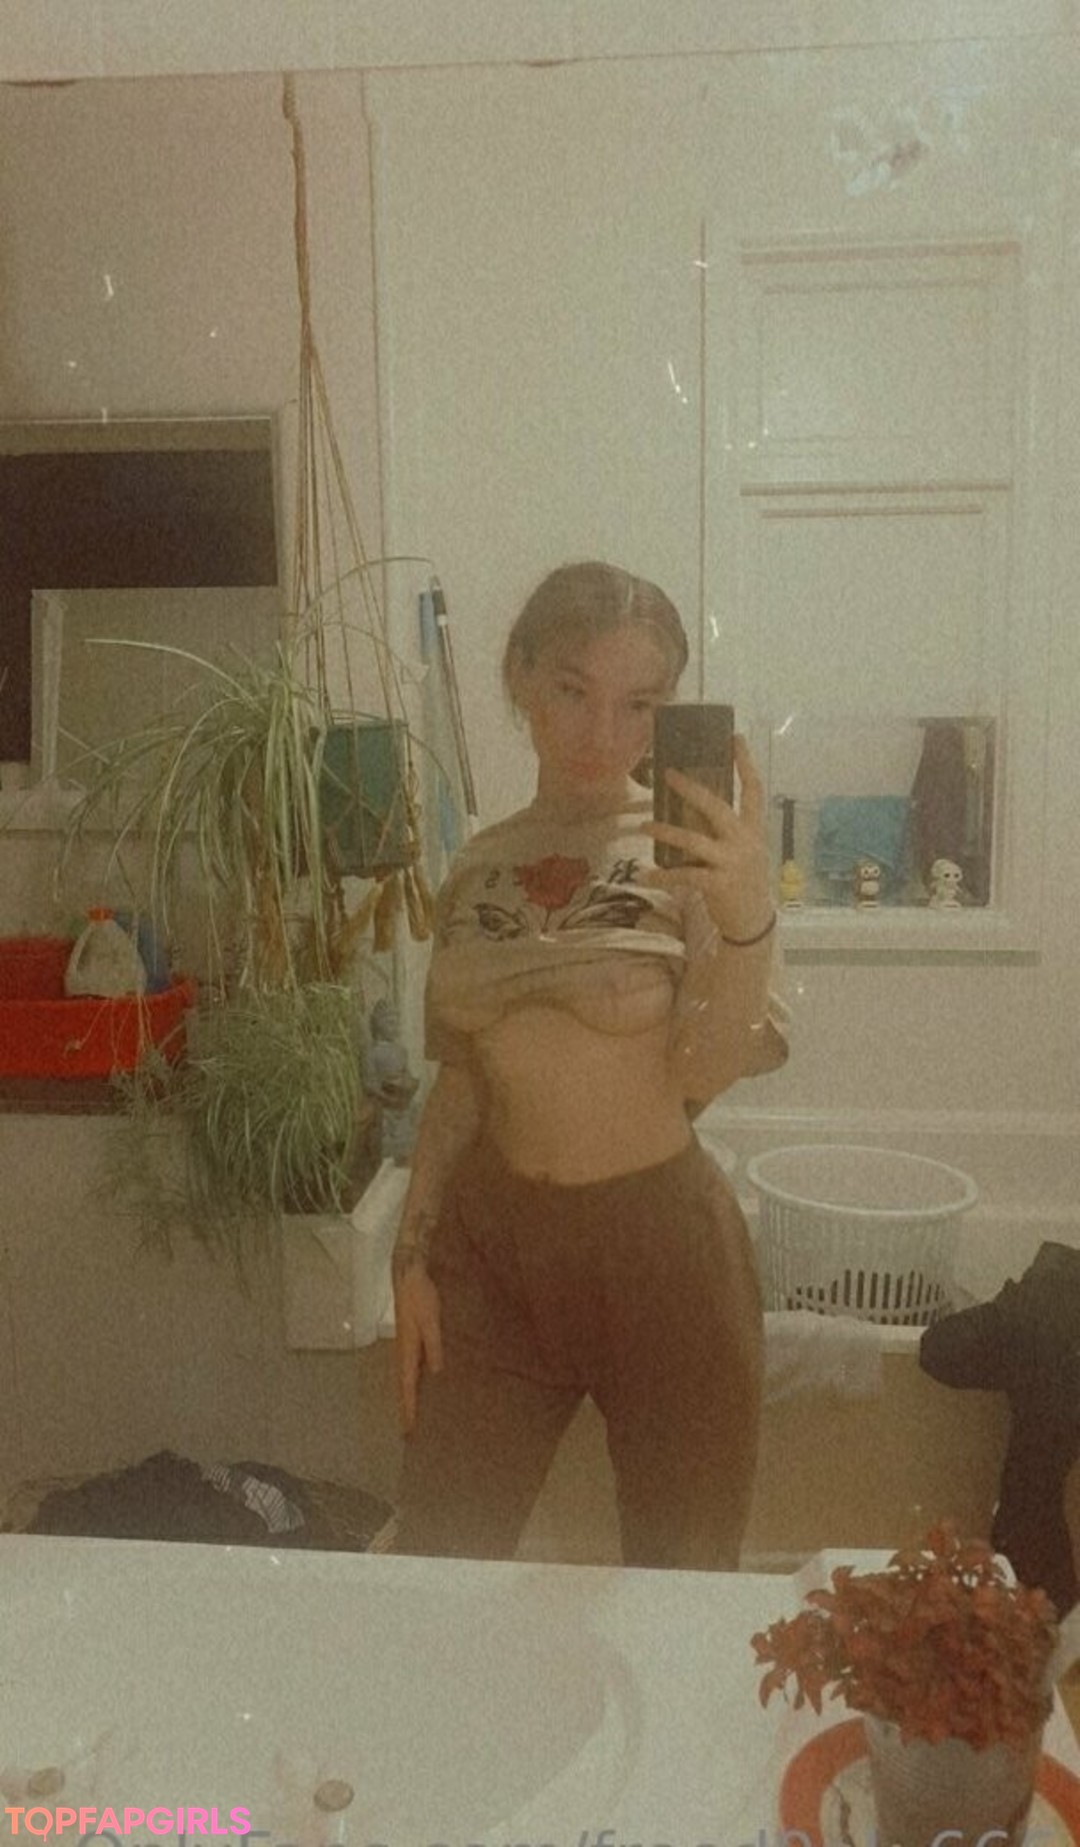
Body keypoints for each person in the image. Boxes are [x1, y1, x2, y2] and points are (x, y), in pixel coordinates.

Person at [391, 560, 787, 1569]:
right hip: (492, 1253)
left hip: (665, 1255)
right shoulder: (477, 865)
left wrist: (747, 918)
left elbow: (704, 1068)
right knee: (440, 1559)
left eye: (639, 704)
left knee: (680, 1579)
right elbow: (461, 1081)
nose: (602, 733)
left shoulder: (687, 858)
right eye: (573, 689)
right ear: (521, 675)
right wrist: (411, 1258)